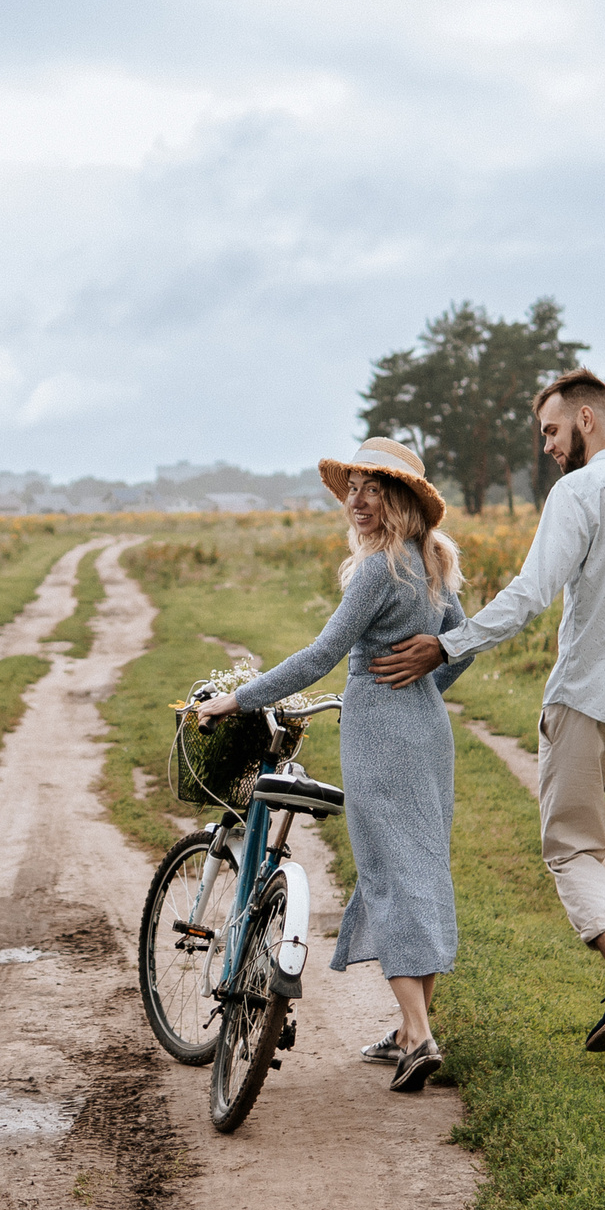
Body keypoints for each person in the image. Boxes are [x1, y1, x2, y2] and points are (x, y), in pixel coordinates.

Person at [372, 368, 605, 1056]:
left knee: (572, 846)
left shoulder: (580, 492)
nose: (548, 447)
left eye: (552, 431)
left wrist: (448, 644)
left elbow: (531, 592)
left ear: (587, 419)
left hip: (586, 699)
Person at [194, 435, 475, 1094]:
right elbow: (460, 646)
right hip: (429, 733)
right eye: (353, 486)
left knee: (387, 876)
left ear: (400, 498)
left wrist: (239, 697)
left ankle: (420, 1033)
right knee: (422, 874)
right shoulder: (432, 560)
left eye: (372, 487)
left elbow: (321, 656)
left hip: (379, 734)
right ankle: (411, 1031)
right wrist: (427, 682)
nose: (357, 498)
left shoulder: (381, 567)